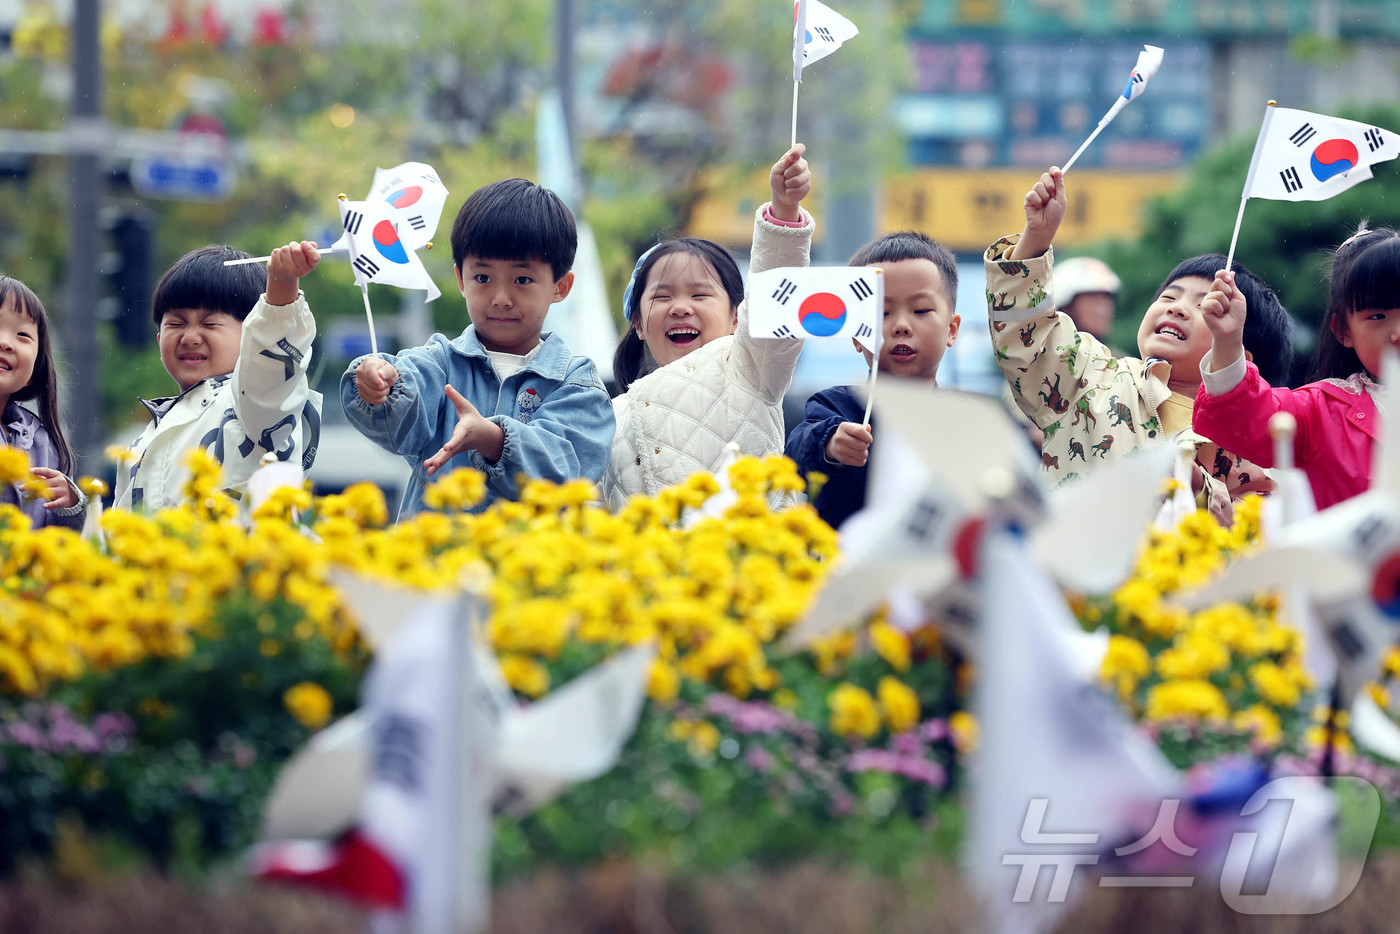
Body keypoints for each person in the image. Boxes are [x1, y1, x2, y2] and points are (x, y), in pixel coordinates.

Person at [985, 167, 1293, 520]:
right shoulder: (1092, 374)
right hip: (1070, 569)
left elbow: (1261, 531)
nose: (1176, 307)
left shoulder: (1257, 437)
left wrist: (1201, 491)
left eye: (1203, 305)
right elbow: (1027, 336)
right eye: (1169, 296)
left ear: (1241, 357)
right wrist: (1035, 239)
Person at [343, 178, 614, 517]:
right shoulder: (439, 362)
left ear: (561, 286)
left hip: (532, 566)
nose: (501, 299)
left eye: (522, 280)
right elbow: (401, 402)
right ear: (460, 279)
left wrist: (493, 439)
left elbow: (567, 469)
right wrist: (377, 384)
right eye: (483, 278)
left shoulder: (576, 384)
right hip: (433, 565)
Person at [603, 145, 813, 507]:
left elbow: (776, 295)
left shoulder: (753, 372)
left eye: (700, 296)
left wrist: (784, 210)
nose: (680, 308)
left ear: (737, 317)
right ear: (637, 322)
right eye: (662, 297)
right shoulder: (610, 417)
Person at [1195, 226, 1398, 509]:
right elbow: (1246, 420)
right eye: (1377, 316)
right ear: (1343, 332)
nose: (1397, 332)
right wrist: (1228, 342)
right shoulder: (1320, 410)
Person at [114, 243, 323, 510]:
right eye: (176, 324)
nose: (189, 338)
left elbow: (268, 362)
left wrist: (281, 288)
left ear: (252, 335)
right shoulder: (146, 436)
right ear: (158, 338)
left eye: (209, 324)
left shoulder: (254, 404)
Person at [784, 231, 960, 528]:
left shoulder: (966, 418)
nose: (901, 326)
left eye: (920, 310)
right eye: (882, 313)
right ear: (856, 335)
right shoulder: (835, 407)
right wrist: (830, 446)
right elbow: (796, 453)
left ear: (952, 330)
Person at [0, 276, 85, 529]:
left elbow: (59, 543)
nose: (5, 342)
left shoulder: (42, 442)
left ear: (34, 372)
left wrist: (70, 504)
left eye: (22, 335)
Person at [1054, 256, 1120, 341]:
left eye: (1106, 299)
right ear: (1066, 308)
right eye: (1093, 299)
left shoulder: (1114, 354)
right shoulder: (1040, 352)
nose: (1102, 310)